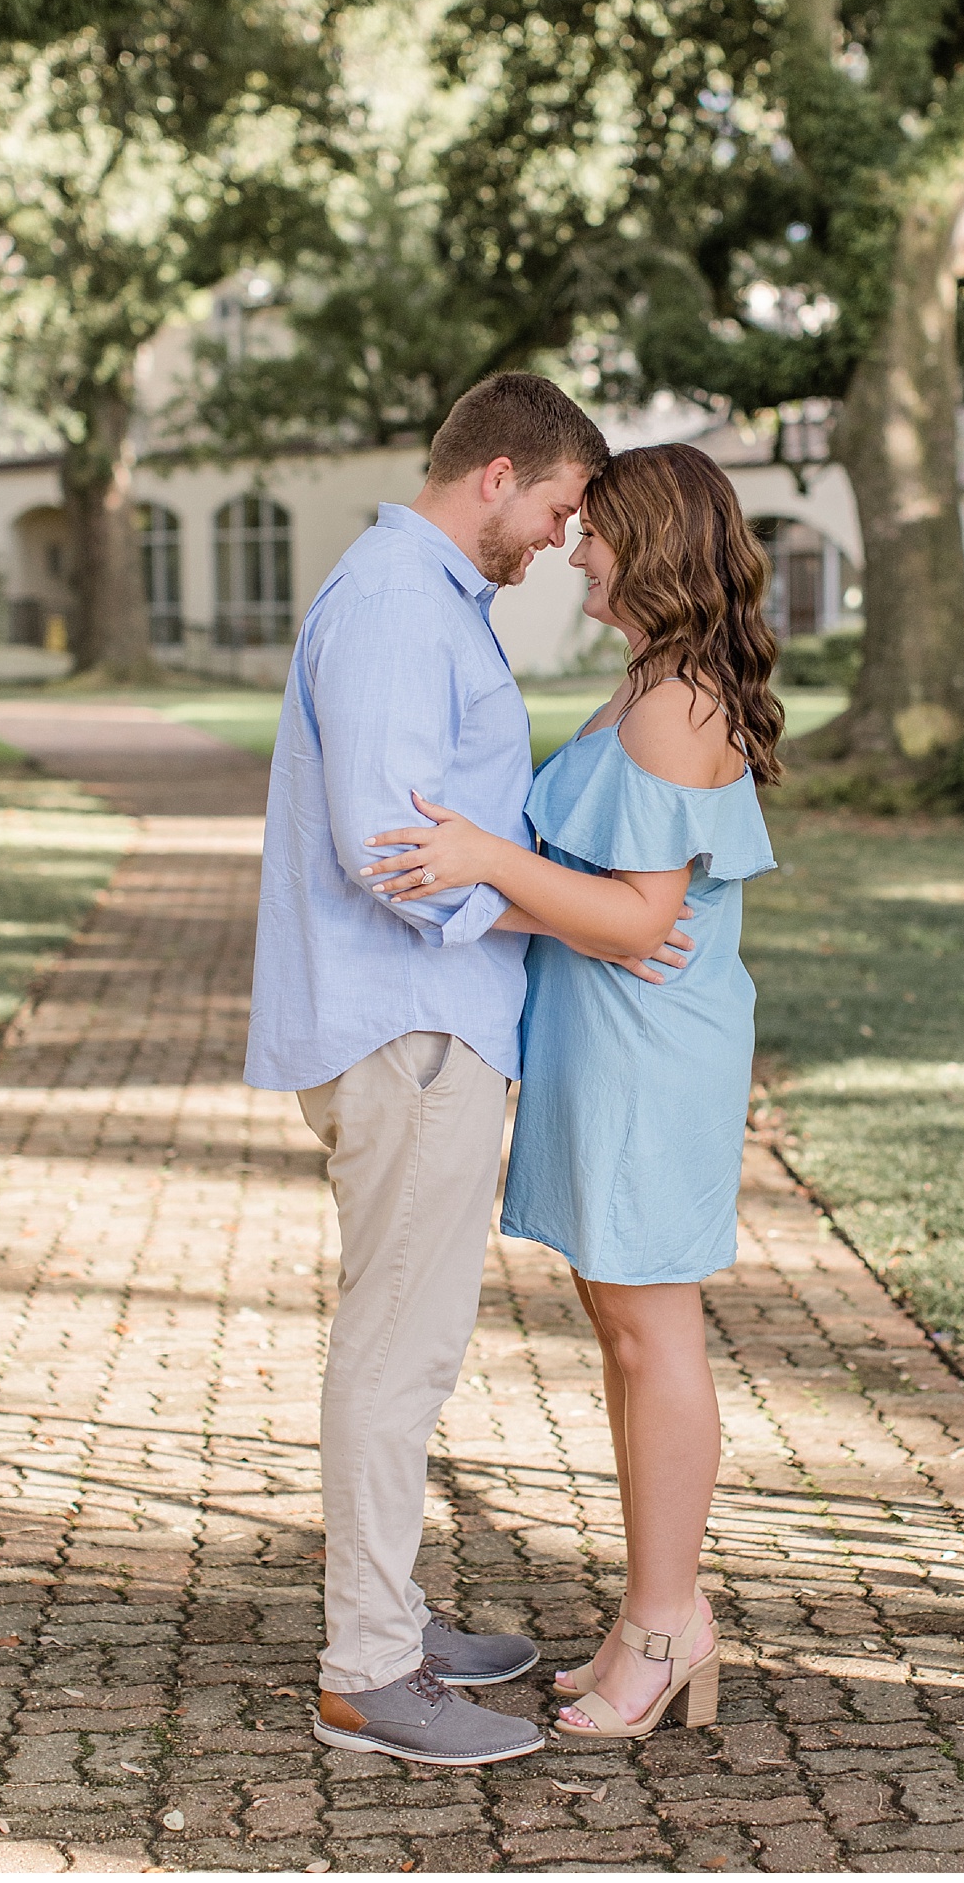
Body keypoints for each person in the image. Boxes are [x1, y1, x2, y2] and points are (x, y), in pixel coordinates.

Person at [246, 373, 688, 1768]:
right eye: (560, 505)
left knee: (408, 1346)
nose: (566, 537)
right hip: (410, 1031)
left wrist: (529, 889)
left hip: (428, 1027)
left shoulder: (426, 601)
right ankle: (368, 1673)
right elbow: (393, 851)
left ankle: (392, 1619)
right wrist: (570, 909)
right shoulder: (393, 605)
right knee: (397, 1352)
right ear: (497, 474)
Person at [361, 441, 782, 1744]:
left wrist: (489, 857)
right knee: (623, 1335)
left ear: (645, 544)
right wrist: (485, 893)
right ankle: (651, 1609)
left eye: (591, 530)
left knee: (652, 1339)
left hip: (651, 1056)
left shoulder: (676, 701)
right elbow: (589, 902)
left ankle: (666, 1622)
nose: (573, 549)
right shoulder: (649, 679)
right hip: (610, 1038)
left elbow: (633, 916)